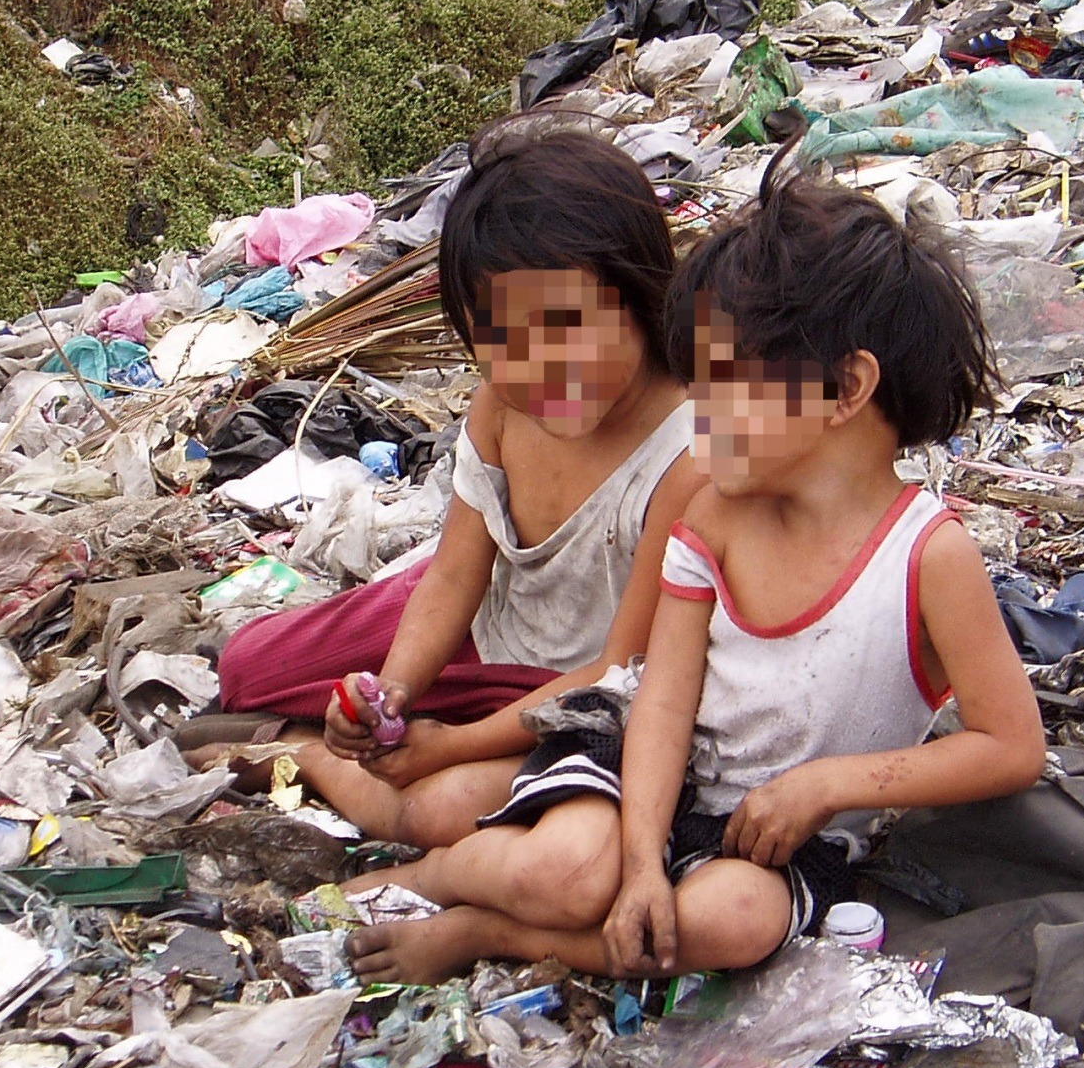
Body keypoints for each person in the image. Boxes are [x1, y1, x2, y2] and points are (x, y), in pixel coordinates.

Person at [344, 166, 1048, 985]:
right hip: (652, 780)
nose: (700, 420)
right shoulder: (713, 519)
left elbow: (1011, 746)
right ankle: (426, 879)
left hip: (779, 840)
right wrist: (643, 859)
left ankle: (483, 932)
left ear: (846, 389)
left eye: (725, 388)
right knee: (552, 862)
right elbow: (662, 698)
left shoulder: (927, 554)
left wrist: (826, 787)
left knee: (732, 920)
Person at [197, 122, 704, 848]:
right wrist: (391, 693)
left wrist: (449, 747)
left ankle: (301, 754)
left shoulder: (684, 454)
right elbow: (455, 576)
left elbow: (616, 670)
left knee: (444, 809)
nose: (541, 367)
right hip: (480, 630)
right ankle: (337, 732)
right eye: (504, 341)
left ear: (641, 295)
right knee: (247, 665)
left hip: (566, 689)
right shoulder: (502, 406)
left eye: (568, 325)